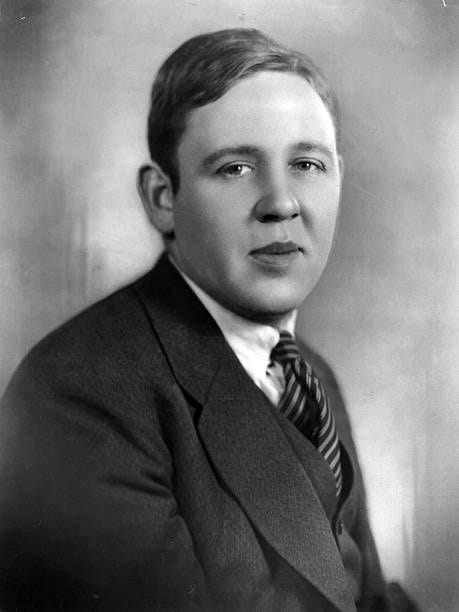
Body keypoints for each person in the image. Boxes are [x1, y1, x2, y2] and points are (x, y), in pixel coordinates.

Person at [0, 29, 417, 611]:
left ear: (339, 178)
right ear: (161, 198)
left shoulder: (310, 376)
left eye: (307, 164)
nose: (281, 202)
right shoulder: (78, 394)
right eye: (236, 168)